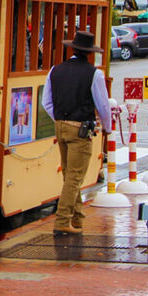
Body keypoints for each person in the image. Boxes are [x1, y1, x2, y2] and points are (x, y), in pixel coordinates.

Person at [41, 30, 112, 235]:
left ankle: (78, 217)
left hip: (61, 126)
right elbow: (103, 105)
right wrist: (107, 128)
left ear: (72, 49)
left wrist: (60, 119)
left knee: (69, 174)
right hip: (80, 128)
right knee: (75, 176)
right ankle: (63, 220)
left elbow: (46, 102)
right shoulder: (94, 73)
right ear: (89, 53)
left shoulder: (55, 70)